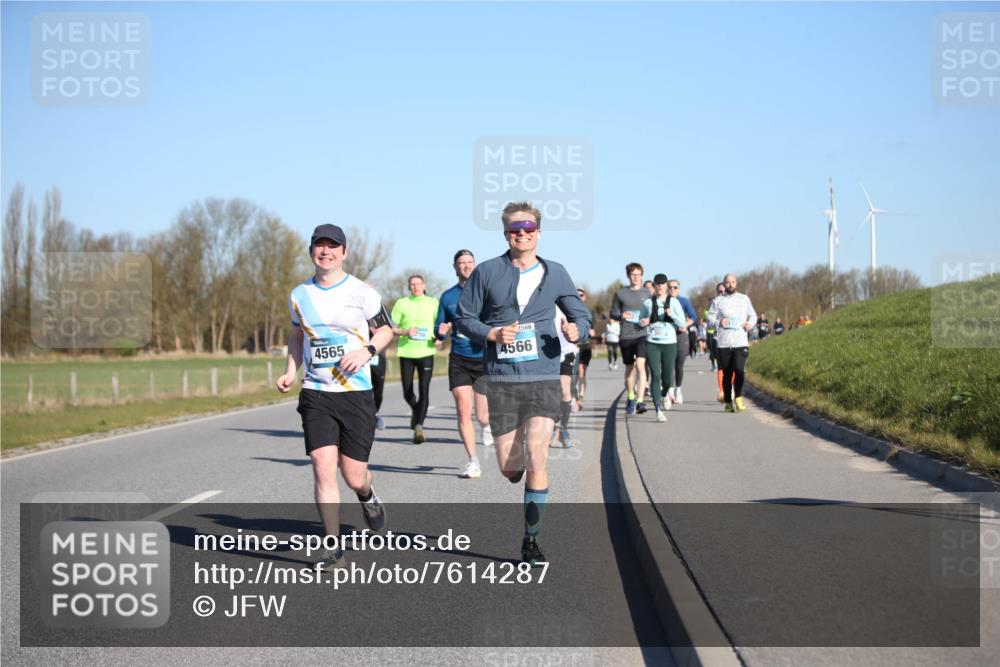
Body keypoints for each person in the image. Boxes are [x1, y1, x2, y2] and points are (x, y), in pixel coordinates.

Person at [455, 201, 590, 566]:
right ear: (506, 234)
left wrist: (577, 329)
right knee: (509, 465)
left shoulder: (556, 273)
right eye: (516, 230)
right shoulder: (486, 272)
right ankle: (518, 476)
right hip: (501, 380)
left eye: (529, 229)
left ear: (539, 233)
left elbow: (581, 315)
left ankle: (531, 541)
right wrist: (493, 333)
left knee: (536, 455)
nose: (523, 234)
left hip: (544, 376)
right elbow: (464, 318)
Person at [276, 224, 392, 570]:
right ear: (311, 251)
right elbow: (298, 337)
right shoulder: (299, 295)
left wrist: (367, 350)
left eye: (332, 247)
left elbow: (385, 329)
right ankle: (333, 548)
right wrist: (290, 371)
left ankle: (367, 495)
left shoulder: (360, 292)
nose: (325, 252)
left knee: (353, 475)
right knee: (322, 468)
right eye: (319, 246)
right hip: (317, 392)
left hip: (356, 393)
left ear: (343, 252)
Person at [435, 250, 493, 479]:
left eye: (470, 262)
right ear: (455, 267)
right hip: (459, 356)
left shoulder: (486, 293)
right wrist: (439, 332)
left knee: (483, 414)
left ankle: (487, 426)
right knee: (462, 410)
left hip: (483, 357)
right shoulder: (448, 296)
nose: (466, 266)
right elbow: (439, 327)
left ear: (475, 265)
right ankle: (473, 461)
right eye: (462, 263)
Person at [391, 275, 439, 444]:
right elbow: (391, 328)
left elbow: (441, 325)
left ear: (424, 285)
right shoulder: (402, 303)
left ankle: (419, 426)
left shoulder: (433, 303)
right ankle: (417, 411)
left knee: (424, 390)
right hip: (406, 352)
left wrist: (439, 337)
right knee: (407, 391)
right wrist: (405, 332)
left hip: (426, 351)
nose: (415, 287)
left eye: (418, 284)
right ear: (409, 287)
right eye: (412, 284)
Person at [707, 273, 757, 413]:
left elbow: (753, 315)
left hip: (740, 341)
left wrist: (750, 324)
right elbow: (710, 319)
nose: (730, 285)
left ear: (736, 283)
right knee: (727, 373)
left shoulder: (744, 299)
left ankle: (739, 397)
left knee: (740, 370)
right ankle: (728, 401)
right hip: (724, 342)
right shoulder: (717, 301)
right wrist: (719, 322)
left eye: (733, 282)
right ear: (724, 284)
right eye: (727, 282)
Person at [640, 274, 687, 423]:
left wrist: (672, 315)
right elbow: (640, 321)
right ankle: (658, 410)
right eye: (657, 284)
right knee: (655, 375)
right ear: (654, 286)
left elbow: (683, 324)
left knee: (667, 379)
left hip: (669, 343)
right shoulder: (647, 303)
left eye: (662, 283)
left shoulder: (674, 302)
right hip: (652, 343)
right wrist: (643, 322)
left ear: (666, 285)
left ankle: (665, 393)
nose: (660, 286)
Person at [610, 263, 650, 414]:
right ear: (628, 276)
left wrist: (649, 320)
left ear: (642, 276)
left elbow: (653, 312)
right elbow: (613, 313)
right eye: (633, 274)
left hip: (642, 334)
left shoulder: (647, 293)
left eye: (638, 274)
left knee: (641, 365)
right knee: (629, 368)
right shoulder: (620, 294)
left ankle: (640, 401)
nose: (636, 277)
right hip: (626, 335)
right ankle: (631, 397)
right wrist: (622, 315)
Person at [666, 279, 697, 405]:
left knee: (679, 365)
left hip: (681, 336)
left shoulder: (684, 301)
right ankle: (670, 391)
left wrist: (685, 325)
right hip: (667, 337)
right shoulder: (663, 301)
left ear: (678, 289)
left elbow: (694, 317)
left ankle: (678, 389)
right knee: (669, 366)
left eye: (675, 287)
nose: (672, 289)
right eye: (670, 287)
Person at [554, 306, 578, 448]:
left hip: (566, 351)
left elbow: (582, 318)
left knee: (565, 392)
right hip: (543, 352)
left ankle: (563, 429)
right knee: (548, 393)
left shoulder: (565, 300)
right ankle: (550, 430)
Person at [573, 288, 594, 411]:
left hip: (585, 345)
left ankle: (580, 396)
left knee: (582, 371)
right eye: (577, 295)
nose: (579, 297)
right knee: (573, 373)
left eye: (581, 295)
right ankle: (574, 394)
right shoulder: (568, 310)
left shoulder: (588, 312)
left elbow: (593, 330)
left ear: (584, 297)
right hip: (573, 346)